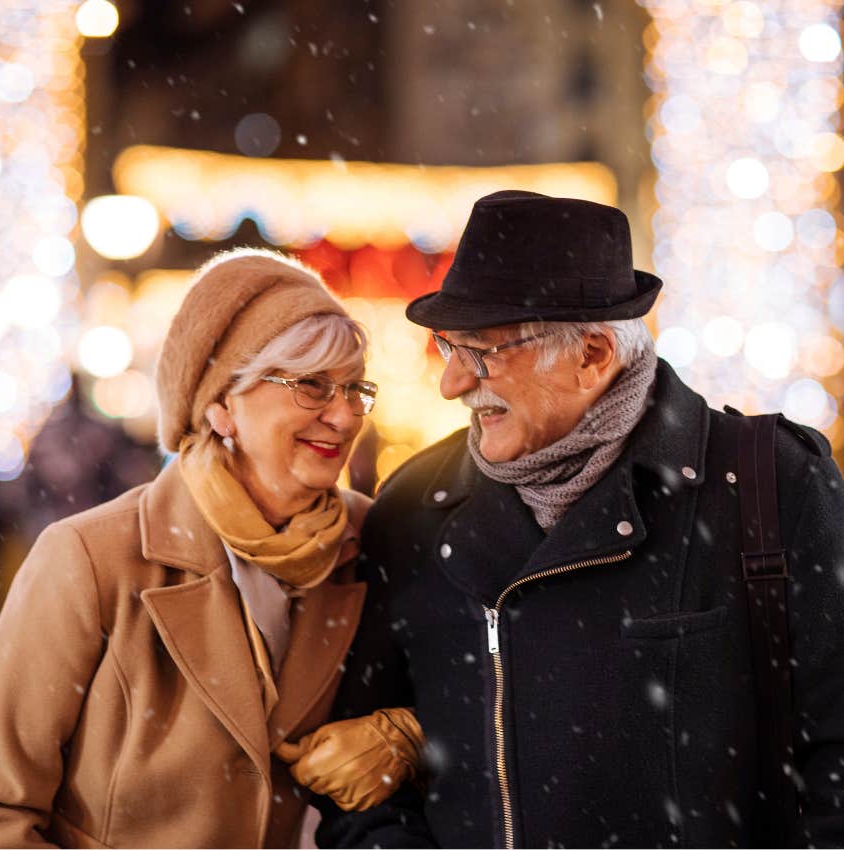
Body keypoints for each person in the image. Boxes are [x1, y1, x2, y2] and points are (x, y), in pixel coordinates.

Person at [305, 192, 844, 848]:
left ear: (591, 354)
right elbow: (360, 792)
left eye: (484, 351)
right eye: (449, 344)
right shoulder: (413, 510)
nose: (450, 382)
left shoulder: (769, 486)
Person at [0, 248, 423, 849]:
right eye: (311, 386)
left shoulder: (373, 539)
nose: (345, 416)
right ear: (221, 405)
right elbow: (2, 807)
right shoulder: (89, 558)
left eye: (355, 389)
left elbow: (482, 691)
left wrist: (406, 733)